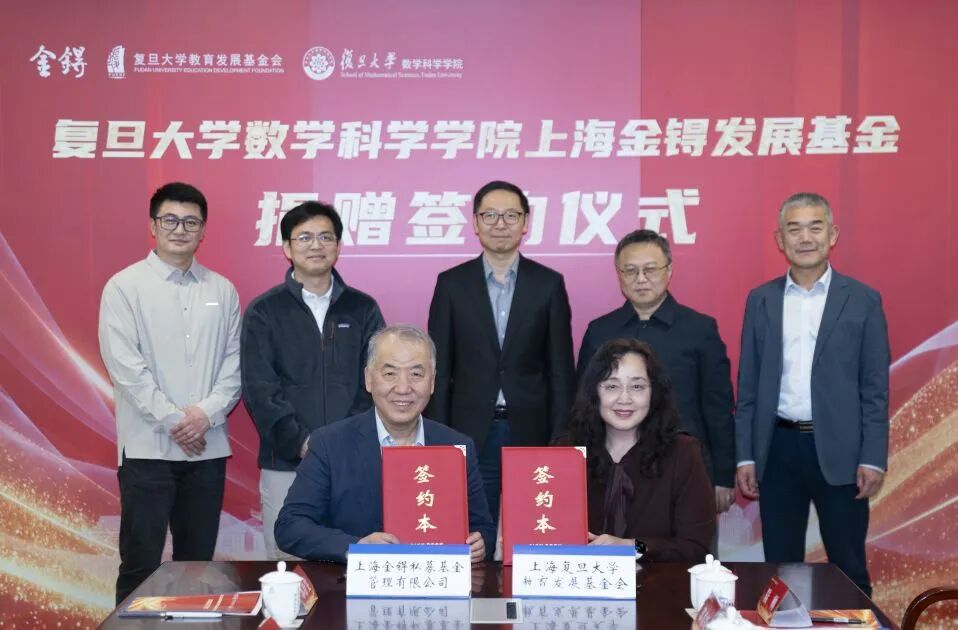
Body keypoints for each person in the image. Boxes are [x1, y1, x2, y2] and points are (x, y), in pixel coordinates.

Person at [735, 192, 890, 596]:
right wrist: (746, 455)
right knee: (780, 569)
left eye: (815, 227)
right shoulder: (761, 299)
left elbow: (875, 388)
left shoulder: (863, 299)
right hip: (778, 449)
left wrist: (872, 457)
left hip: (842, 452)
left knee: (848, 567)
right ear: (780, 239)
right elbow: (748, 384)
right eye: (794, 229)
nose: (805, 238)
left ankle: (855, 622)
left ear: (832, 234)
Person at [98, 182, 241, 603]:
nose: (180, 230)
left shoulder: (222, 290)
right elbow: (125, 367)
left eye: (191, 222)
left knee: (197, 565)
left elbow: (234, 365)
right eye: (171, 220)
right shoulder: (124, 286)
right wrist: (177, 421)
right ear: (153, 225)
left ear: (203, 230)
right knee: (140, 563)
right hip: (148, 450)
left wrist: (205, 415)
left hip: (206, 451)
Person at [274, 325, 495, 563]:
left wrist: (481, 543)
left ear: (432, 382)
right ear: (368, 379)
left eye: (416, 374)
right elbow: (290, 526)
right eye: (390, 374)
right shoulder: (329, 444)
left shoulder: (457, 447)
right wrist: (356, 547)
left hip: (434, 578)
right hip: (351, 582)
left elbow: (483, 527)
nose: (403, 388)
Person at [241, 201, 385, 559]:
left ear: (338, 245)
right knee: (289, 565)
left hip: (354, 461)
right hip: (287, 462)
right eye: (304, 237)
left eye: (325, 237)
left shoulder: (363, 308)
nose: (316, 245)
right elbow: (260, 389)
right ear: (287, 248)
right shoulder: (264, 311)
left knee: (358, 560)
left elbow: (376, 379)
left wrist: (344, 444)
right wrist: (303, 443)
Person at [426, 180, 575, 525]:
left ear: (525, 223)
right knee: (474, 527)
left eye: (511, 215)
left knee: (533, 527)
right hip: (469, 430)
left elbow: (560, 370)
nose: (500, 224)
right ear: (475, 223)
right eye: (490, 215)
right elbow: (440, 369)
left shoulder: (548, 284)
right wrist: (439, 435)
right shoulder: (451, 284)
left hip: (533, 430)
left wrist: (561, 436)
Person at [578, 229, 736, 514]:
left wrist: (723, 475)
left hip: (685, 469)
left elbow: (718, 408)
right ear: (619, 274)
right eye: (630, 271)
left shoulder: (700, 329)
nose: (641, 279)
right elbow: (584, 406)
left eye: (650, 269)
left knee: (689, 542)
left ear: (669, 270)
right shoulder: (600, 331)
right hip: (611, 470)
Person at [563, 338, 714, 563]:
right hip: (582, 581)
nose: (624, 399)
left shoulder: (683, 453)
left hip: (659, 582)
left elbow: (694, 546)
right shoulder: (566, 452)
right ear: (594, 392)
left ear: (654, 393)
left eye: (637, 387)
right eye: (612, 386)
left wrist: (634, 546)